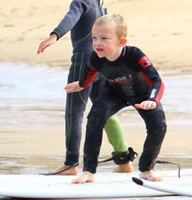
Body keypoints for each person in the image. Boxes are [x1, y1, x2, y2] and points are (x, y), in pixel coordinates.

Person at [37, 0, 134, 176]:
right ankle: (124, 161)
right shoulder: (98, 1)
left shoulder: (80, 1)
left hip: (83, 61)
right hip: (104, 62)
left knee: (74, 111)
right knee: (105, 110)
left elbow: (70, 18)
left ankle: (71, 163)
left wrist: (54, 36)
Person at [64, 14, 167, 184]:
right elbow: (88, 74)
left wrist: (153, 100)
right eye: (94, 38)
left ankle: (146, 170)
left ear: (121, 42)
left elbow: (157, 80)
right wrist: (81, 85)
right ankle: (88, 171)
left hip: (142, 94)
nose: (97, 43)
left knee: (158, 126)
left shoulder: (135, 55)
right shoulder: (96, 58)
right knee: (95, 119)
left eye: (104, 38)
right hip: (114, 92)